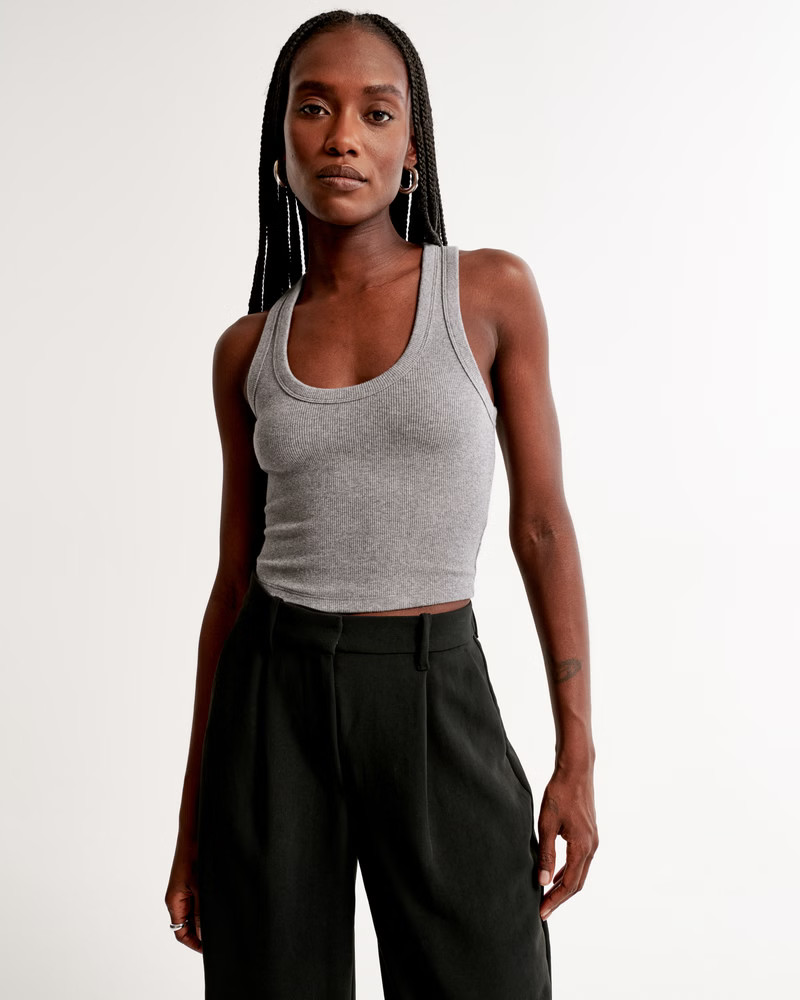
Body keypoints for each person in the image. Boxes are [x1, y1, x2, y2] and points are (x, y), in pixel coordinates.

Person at [164, 9, 598, 999]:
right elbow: (232, 583)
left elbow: (541, 525)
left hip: (433, 688)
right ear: (280, 144)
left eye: (377, 111)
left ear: (412, 150)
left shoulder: (487, 294)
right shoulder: (247, 350)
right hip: (272, 701)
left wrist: (575, 754)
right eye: (313, 108)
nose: (342, 136)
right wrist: (192, 821)